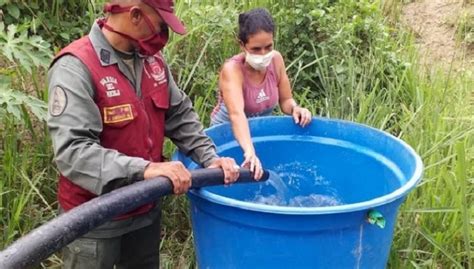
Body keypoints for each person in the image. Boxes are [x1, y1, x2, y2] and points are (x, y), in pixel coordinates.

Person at [47, 0, 240, 268]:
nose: (162, 36)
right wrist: (146, 170)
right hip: (94, 220)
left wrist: (210, 158)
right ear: (136, 15)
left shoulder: (153, 61)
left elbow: (179, 114)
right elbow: (74, 152)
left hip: (145, 209)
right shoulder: (76, 67)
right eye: (160, 25)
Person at [210, 8, 312, 180]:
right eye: (256, 49)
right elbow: (237, 115)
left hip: (258, 130)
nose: (263, 54)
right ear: (242, 45)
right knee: (232, 179)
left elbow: (286, 99)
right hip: (227, 133)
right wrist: (249, 151)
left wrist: (296, 109)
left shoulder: (276, 60)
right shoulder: (232, 70)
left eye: (268, 47)